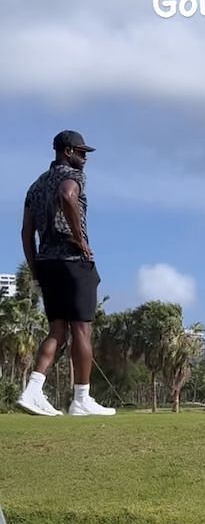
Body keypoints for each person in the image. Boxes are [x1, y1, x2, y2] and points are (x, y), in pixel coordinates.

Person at [17, 130, 115, 417]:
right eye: (81, 152)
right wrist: (80, 240)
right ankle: (81, 399)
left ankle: (32, 391)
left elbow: (26, 232)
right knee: (81, 328)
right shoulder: (71, 176)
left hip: (46, 263)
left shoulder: (36, 185)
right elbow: (67, 195)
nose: (85, 158)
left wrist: (35, 270)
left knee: (57, 331)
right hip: (72, 261)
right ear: (67, 151)